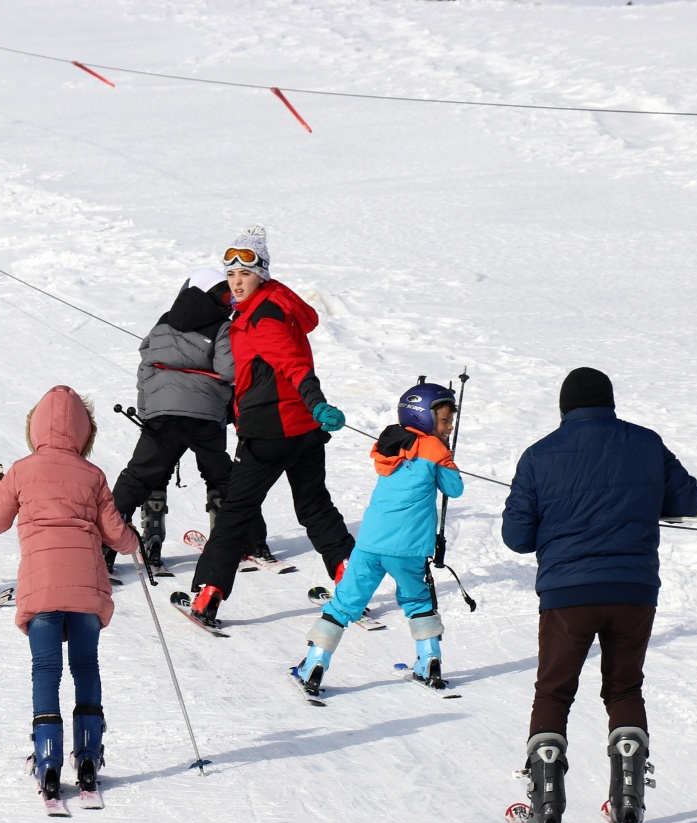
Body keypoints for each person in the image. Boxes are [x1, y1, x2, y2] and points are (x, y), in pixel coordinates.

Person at [501, 367, 697, 823]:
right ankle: (628, 807)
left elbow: (516, 537)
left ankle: (546, 814)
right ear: (610, 402)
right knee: (624, 688)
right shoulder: (646, 443)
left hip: (567, 596)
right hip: (633, 591)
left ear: (564, 407)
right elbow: (687, 501)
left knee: (553, 692)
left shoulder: (538, 455)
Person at [187, 225, 354, 626]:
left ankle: (208, 595)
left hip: (269, 431)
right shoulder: (277, 304)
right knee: (315, 507)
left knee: (236, 514)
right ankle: (350, 582)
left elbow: (295, 366)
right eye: (230, 274)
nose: (236, 282)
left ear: (261, 272)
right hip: (303, 433)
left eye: (244, 273)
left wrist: (317, 403)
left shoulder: (264, 317)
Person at [0, 386, 140, 804]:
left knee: (46, 670)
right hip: (87, 587)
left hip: (42, 587)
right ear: (85, 433)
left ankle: (48, 760)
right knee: (86, 665)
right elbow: (118, 537)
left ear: (34, 428)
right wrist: (134, 538)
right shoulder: (93, 475)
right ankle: (88, 758)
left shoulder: (20, 470)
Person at [293, 382, 464, 696]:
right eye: (444, 420)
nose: (449, 426)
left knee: (345, 602)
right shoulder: (435, 450)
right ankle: (429, 662)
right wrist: (447, 459)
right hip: (409, 550)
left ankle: (314, 663)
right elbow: (454, 489)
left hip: (370, 543)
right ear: (426, 419)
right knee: (418, 601)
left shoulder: (391, 444)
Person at [108, 267, 268, 575]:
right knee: (222, 476)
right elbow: (229, 370)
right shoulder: (222, 325)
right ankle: (243, 543)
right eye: (224, 295)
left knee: (140, 477)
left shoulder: (162, 324)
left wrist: (147, 411)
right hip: (205, 416)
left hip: (161, 415)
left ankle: (103, 546)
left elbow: (145, 369)